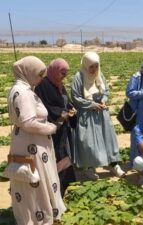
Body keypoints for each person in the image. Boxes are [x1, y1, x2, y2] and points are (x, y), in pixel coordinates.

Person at [7, 56, 66, 224]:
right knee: (34, 178)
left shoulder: (19, 88)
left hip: (26, 141)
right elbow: (28, 122)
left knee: (28, 177)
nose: (41, 79)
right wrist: (51, 128)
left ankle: (34, 214)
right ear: (29, 71)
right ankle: (38, 216)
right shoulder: (23, 93)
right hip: (31, 143)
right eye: (39, 74)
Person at [71, 51, 125, 180]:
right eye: (91, 66)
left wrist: (103, 100)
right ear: (85, 65)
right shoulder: (79, 77)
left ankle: (113, 164)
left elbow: (105, 90)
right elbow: (75, 97)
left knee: (108, 139)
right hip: (87, 115)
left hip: (101, 114)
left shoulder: (99, 75)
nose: (94, 69)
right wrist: (91, 104)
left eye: (96, 66)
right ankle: (90, 168)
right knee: (89, 143)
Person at [35, 58, 76, 196]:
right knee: (58, 155)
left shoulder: (59, 84)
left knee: (66, 154)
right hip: (53, 129)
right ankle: (55, 189)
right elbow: (44, 107)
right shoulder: (43, 85)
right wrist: (61, 113)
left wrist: (71, 109)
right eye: (62, 73)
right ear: (53, 71)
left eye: (66, 73)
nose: (64, 76)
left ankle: (65, 185)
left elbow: (66, 101)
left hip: (63, 127)